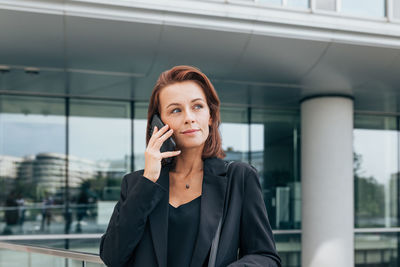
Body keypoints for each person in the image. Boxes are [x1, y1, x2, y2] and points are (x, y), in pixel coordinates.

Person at [99, 65, 281, 267]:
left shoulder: (239, 177)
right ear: (158, 124)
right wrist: (149, 178)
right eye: (176, 110)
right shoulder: (136, 183)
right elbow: (112, 257)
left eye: (197, 106)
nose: (189, 118)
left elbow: (266, 257)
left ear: (210, 116)